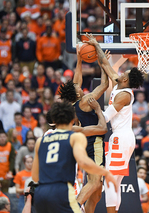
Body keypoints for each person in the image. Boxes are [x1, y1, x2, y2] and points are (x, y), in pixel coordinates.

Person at [84, 33, 145, 213]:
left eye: (124, 72)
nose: (121, 72)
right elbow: (105, 64)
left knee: (110, 179)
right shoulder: (119, 84)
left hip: (121, 138)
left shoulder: (124, 95)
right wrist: (96, 45)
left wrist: (95, 108)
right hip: (120, 138)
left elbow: (107, 116)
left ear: (125, 79)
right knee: (115, 181)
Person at [31, 101, 117, 213]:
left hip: (41, 192)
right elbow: (84, 162)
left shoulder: (40, 141)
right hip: (62, 190)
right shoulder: (74, 137)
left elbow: (35, 177)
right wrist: (106, 173)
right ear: (72, 119)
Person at [58, 44, 109, 213]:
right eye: (77, 87)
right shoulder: (86, 100)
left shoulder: (71, 102)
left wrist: (79, 59)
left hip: (81, 144)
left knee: (97, 192)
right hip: (94, 144)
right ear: (77, 93)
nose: (78, 85)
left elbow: (77, 79)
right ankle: (73, 207)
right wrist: (103, 65)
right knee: (94, 183)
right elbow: (104, 85)